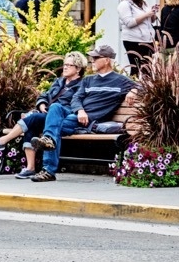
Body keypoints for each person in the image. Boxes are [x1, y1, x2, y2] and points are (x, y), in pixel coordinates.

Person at [27, 44, 137, 182]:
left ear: (107, 60)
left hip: (90, 121)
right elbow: (76, 98)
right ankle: (48, 145)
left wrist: (133, 90)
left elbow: (143, 86)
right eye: (92, 57)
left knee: (53, 130)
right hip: (77, 116)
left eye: (96, 58)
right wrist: (80, 110)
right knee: (55, 107)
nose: (92, 60)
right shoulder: (88, 80)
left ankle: (48, 170)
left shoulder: (120, 81)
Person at [0, 51, 87, 179]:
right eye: (64, 64)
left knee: (33, 119)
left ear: (78, 69)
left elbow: (76, 103)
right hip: (47, 114)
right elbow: (45, 95)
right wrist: (42, 104)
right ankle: (30, 168)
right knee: (32, 124)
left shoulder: (81, 85)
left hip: (61, 118)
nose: (64, 67)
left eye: (69, 65)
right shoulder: (59, 81)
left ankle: (3, 140)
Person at [117, 0, 158, 76]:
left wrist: (153, 13)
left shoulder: (143, 2)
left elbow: (150, 21)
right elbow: (129, 22)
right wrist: (146, 14)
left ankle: (145, 90)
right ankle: (133, 89)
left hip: (148, 39)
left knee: (148, 68)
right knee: (136, 67)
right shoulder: (124, 4)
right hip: (133, 40)